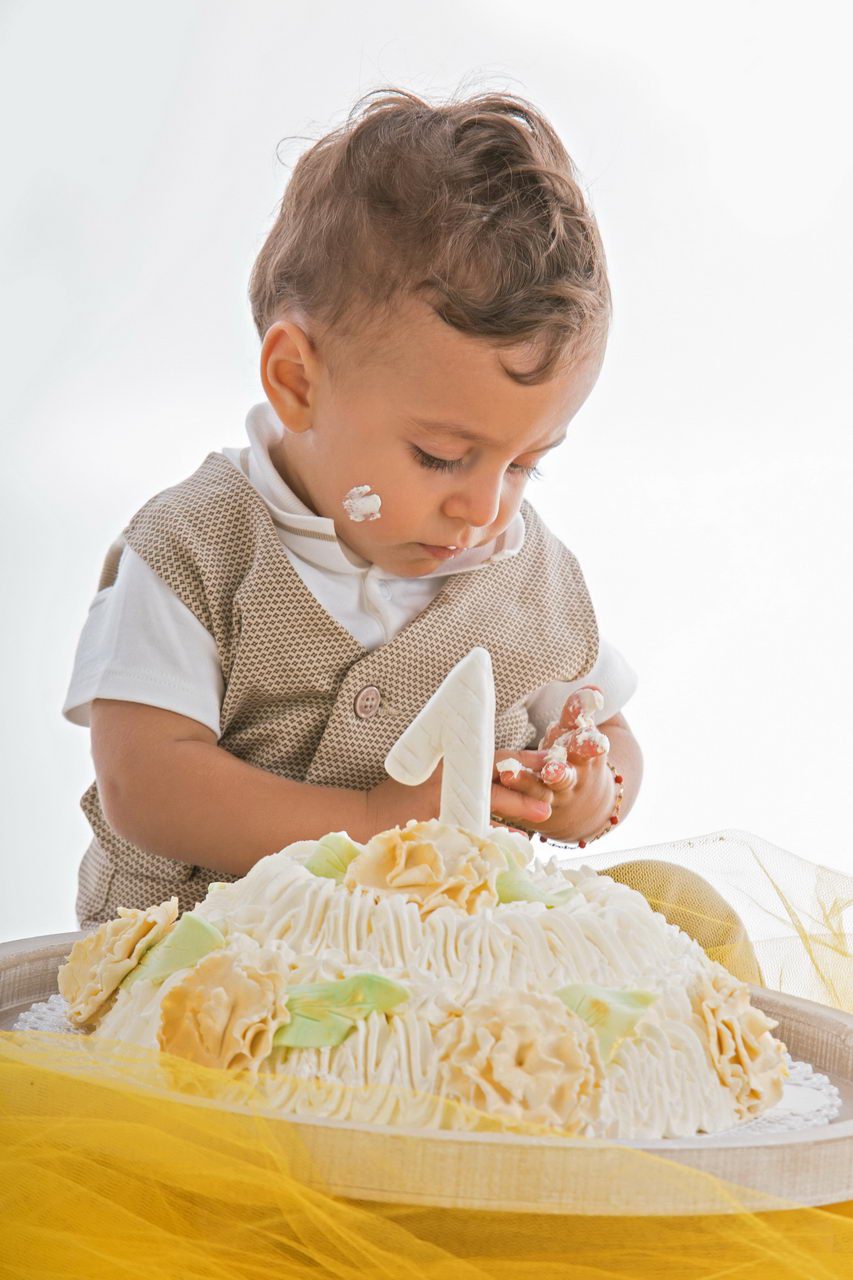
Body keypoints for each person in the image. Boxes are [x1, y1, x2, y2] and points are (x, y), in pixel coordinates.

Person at [62, 86, 658, 947]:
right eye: (440, 457)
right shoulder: (194, 549)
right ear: (299, 382)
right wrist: (374, 819)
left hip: (427, 988)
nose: (483, 507)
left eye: (525, 463)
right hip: (194, 985)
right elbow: (146, 784)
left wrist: (584, 791)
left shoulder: (527, 576)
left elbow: (607, 728)